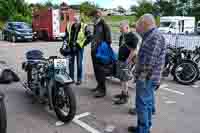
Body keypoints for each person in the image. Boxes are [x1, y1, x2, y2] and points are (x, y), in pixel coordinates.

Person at [128, 14, 166, 133]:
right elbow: (146, 58)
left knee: (143, 105)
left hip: (146, 78)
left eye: (138, 26)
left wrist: (140, 78)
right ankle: (143, 127)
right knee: (146, 104)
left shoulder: (155, 37)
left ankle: (143, 130)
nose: (137, 30)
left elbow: (149, 63)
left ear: (144, 24)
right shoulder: (150, 36)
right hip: (147, 77)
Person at [113, 21, 141, 105]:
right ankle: (123, 92)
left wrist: (127, 61)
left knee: (125, 78)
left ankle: (125, 97)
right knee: (122, 78)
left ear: (127, 27)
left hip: (126, 61)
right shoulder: (122, 36)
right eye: (120, 29)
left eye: (122, 29)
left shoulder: (133, 37)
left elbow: (134, 51)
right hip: (121, 59)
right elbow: (121, 47)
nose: (120, 31)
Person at [89, 9, 112, 98]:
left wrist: (101, 51)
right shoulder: (96, 25)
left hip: (100, 53)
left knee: (101, 71)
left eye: (92, 17)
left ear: (96, 16)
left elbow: (108, 40)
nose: (91, 19)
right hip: (94, 51)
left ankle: (103, 90)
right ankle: (99, 86)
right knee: (96, 70)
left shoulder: (104, 25)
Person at [66, 16, 90, 85]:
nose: (75, 21)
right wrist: (65, 44)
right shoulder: (70, 26)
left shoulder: (84, 26)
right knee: (71, 64)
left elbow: (89, 37)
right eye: (74, 20)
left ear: (80, 20)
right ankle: (71, 78)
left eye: (77, 20)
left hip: (79, 48)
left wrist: (82, 45)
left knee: (79, 64)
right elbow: (66, 36)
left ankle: (79, 79)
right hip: (70, 48)